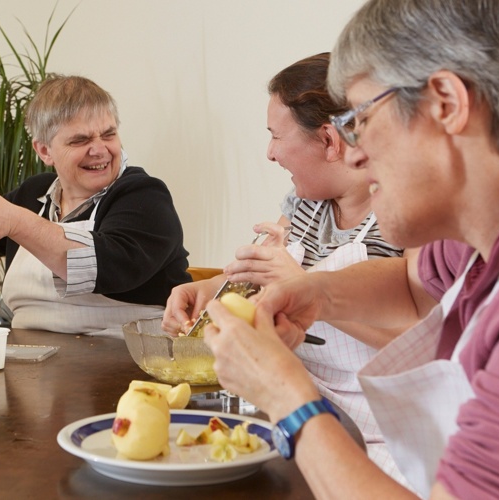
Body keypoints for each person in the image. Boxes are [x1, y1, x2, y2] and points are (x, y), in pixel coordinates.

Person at [202, 0, 499, 498]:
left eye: (360, 119)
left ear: (445, 102)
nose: (353, 153)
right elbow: (413, 287)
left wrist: (288, 399)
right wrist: (314, 292)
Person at [162, 53, 406, 481]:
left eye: (276, 136)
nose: (270, 154)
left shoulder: (404, 217)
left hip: (383, 435)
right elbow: (262, 267)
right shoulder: (305, 206)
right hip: (299, 405)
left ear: (330, 141)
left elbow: (418, 334)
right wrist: (210, 288)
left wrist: (305, 286)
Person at [0, 75, 191, 337]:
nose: (99, 149)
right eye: (80, 140)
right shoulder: (34, 193)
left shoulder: (143, 195)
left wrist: (16, 222)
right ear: (44, 151)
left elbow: (107, 267)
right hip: (31, 365)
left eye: (108, 134)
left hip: (126, 366)